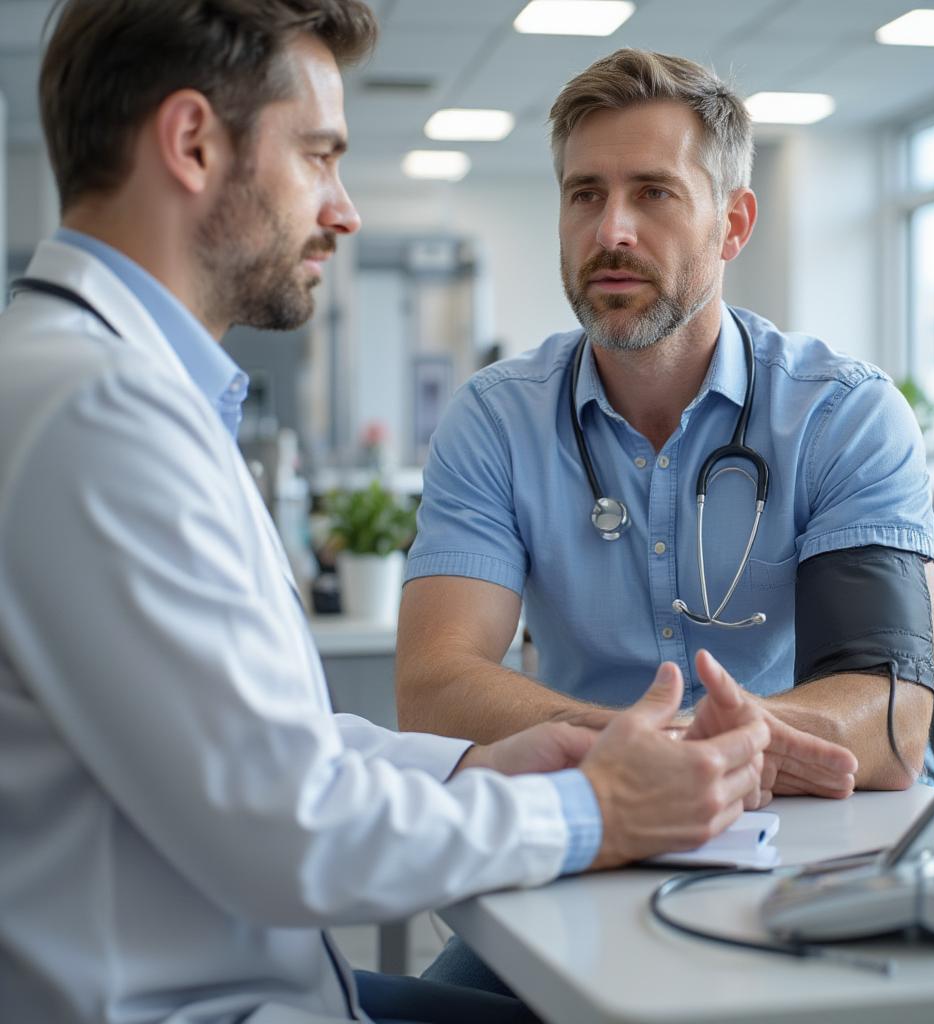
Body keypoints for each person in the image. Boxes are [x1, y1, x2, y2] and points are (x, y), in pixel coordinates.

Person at [0, 7, 786, 1024]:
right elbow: (291, 830)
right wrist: (592, 809)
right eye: (320, 156)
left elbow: (258, 746)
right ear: (192, 142)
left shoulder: (100, 384)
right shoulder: (96, 411)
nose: (344, 209)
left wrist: (476, 763)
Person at [395, 49, 934, 989]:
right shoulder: (497, 420)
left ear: (733, 223)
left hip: (830, 853)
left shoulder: (841, 413)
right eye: (584, 195)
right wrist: (635, 754)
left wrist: (676, 756)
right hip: (595, 838)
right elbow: (435, 686)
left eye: (654, 194)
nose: (611, 230)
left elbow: (890, 721)